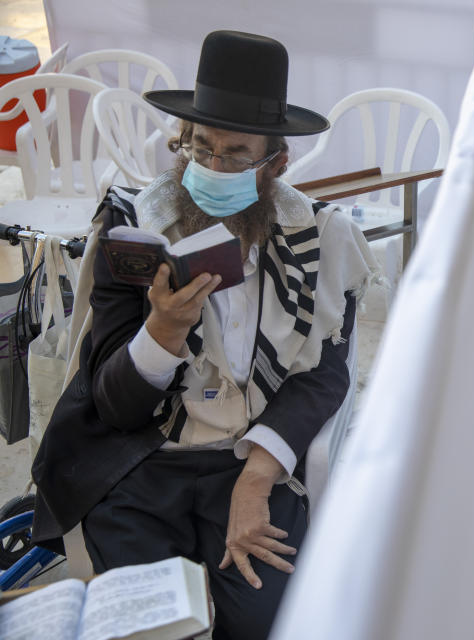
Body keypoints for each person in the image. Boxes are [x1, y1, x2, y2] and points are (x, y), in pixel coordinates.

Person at [31, 31, 379, 639]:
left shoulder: (320, 240)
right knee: (152, 624)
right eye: (202, 148)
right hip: (140, 459)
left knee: (263, 621)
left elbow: (326, 374)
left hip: (245, 459)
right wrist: (163, 331)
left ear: (276, 162)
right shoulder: (134, 228)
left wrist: (258, 477)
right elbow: (112, 403)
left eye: (237, 155)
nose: (214, 169)